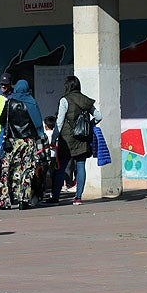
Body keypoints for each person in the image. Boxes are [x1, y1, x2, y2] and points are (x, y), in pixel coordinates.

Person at [50, 75, 101, 206]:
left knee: (60, 167)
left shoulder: (64, 100)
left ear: (67, 86)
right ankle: (78, 197)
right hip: (82, 138)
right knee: (81, 166)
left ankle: (55, 196)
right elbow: (98, 116)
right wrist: (89, 124)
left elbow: (59, 121)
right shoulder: (85, 100)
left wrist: (54, 137)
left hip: (66, 140)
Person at [0, 79, 45, 210]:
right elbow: (38, 124)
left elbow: (2, 120)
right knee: (27, 170)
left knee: (7, 170)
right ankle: (23, 200)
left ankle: (4, 201)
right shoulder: (31, 102)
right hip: (28, 141)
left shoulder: (9, 103)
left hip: (12, 141)